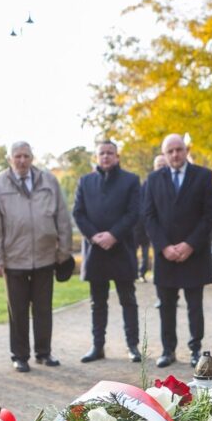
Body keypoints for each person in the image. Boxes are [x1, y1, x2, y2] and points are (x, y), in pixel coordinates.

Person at [0, 141, 72, 372]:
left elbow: (62, 217)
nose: (22, 160)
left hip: (45, 256)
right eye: (17, 156)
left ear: (32, 158)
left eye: (26, 156)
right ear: (10, 159)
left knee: (44, 308)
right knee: (18, 310)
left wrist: (63, 250)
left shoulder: (49, 180)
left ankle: (44, 352)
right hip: (14, 258)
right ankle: (20, 355)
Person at [142, 134, 212, 368]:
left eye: (179, 150)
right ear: (164, 154)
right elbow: (148, 216)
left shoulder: (203, 176)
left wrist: (189, 244)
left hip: (194, 253)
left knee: (195, 306)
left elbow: (209, 215)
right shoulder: (153, 179)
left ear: (186, 150)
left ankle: (196, 350)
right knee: (166, 306)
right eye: (170, 151)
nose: (175, 154)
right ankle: (168, 350)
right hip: (166, 256)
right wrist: (164, 246)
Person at [73, 140, 142, 363]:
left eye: (110, 153)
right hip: (96, 251)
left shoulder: (131, 181)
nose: (105, 157)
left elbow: (134, 213)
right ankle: (97, 346)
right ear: (96, 157)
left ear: (117, 156)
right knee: (97, 302)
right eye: (102, 153)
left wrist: (113, 235)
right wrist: (94, 236)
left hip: (122, 248)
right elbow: (78, 213)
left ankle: (133, 346)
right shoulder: (85, 181)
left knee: (128, 300)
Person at [135, 155, 167, 282]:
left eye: (163, 165)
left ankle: (159, 274)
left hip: (165, 225)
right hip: (146, 224)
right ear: (154, 167)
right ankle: (141, 273)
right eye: (159, 165)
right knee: (145, 250)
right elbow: (143, 204)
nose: (161, 167)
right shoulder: (148, 183)